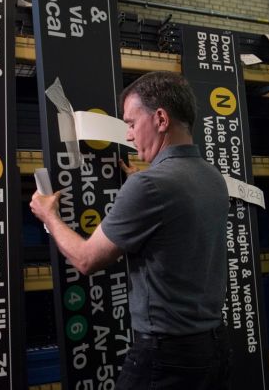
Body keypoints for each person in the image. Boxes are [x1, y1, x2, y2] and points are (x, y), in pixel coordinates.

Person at [30, 71, 231, 389]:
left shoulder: (150, 186)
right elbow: (174, 223)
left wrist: (49, 215)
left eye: (131, 123)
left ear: (161, 119)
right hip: (213, 346)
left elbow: (86, 260)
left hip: (167, 355)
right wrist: (142, 185)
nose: (129, 135)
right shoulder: (211, 177)